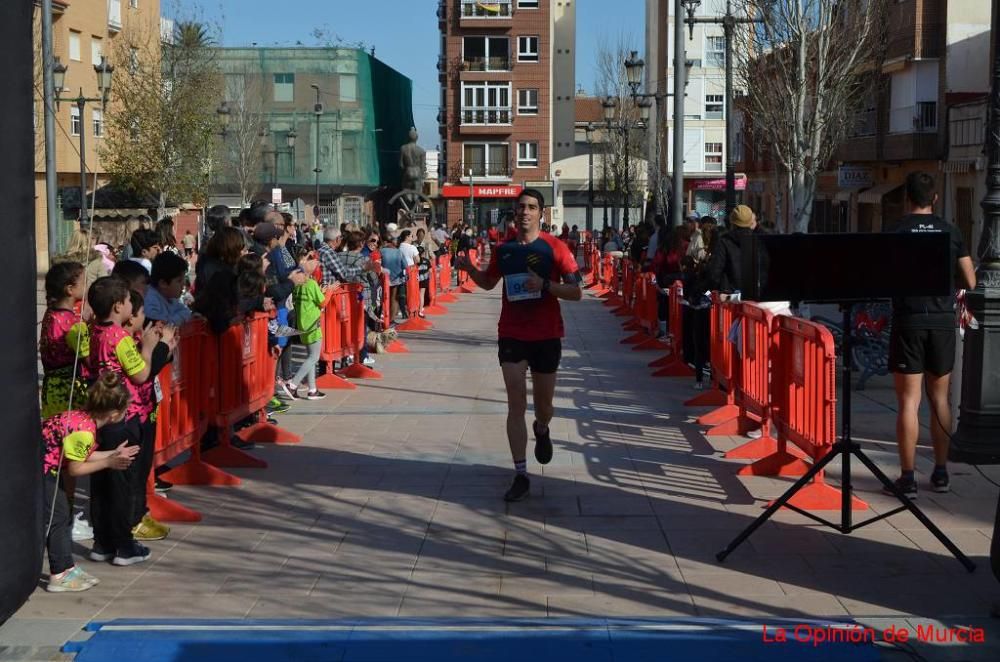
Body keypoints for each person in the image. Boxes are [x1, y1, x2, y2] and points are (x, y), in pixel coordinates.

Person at [453, 189, 583, 502]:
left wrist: (546, 286)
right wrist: (470, 269)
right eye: (521, 207)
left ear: (541, 213)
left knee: (544, 406)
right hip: (511, 332)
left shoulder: (556, 247)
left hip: (547, 334)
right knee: (515, 402)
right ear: (515, 212)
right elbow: (488, 282)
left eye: (532, 207)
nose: (525, 212)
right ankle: (521, 473)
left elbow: (577, 291)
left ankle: (542, 428)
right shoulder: (504, 249)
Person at [884, 171, 976, 498]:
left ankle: (907, 478)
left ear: (906, 198)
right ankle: (940, 472)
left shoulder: (894, 231)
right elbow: (970, 279)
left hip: (908, 320)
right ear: (934, 199)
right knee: (940, 399)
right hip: (940, 322)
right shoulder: (950, 231)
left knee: (909, 401)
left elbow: (879, 274)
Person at [86, 276, 172, 567]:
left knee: (100, 480)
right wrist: (148, 347)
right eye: (126, 301)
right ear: (117, 306)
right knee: (121, 482)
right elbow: (139, 375)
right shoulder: (120, 339)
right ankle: (124, 546)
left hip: (98, 416)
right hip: (122, 415)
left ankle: (102, 541)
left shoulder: (92, 331)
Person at [41, 372, 138, 592]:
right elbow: (76, 469)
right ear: (114, 414)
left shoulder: (84, 420)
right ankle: (58, 574)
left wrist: (112, 453)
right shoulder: (85, 431)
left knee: (63, 517)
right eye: (126, 409)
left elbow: (80, 455)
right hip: (42, 471)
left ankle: (66, 566)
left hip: (48, 469)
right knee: (58, 519)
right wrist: (109, 462)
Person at [40, 262, 91, 418]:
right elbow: (90, 361)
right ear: (70, 289)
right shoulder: (75, 325)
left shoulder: (50, 313)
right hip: (70, 393)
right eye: (84, 282)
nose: (87, 286)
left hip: (50, 389)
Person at [280, 248, 328, 401]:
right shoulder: (312, 284)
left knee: (310, 356)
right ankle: (293, 385)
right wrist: (330, 291)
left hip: (302, 323)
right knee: (313, 357)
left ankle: (312, 390)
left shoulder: (298, 284)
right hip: (313, 323)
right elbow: (323, 302)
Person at [704, 204, 758, 294]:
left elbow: (714, 273)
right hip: (752, 297)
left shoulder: (724, 242)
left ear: (732, 222)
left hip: (728, 298)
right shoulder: (758, 241)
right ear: (750, 221)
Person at [143, 252, 192, 326]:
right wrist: (178, 318)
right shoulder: (150, 301)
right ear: (163, 283)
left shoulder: (169, 296)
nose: (183, 284)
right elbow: (163, 326)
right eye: (179, 281)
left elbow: (186, 311)